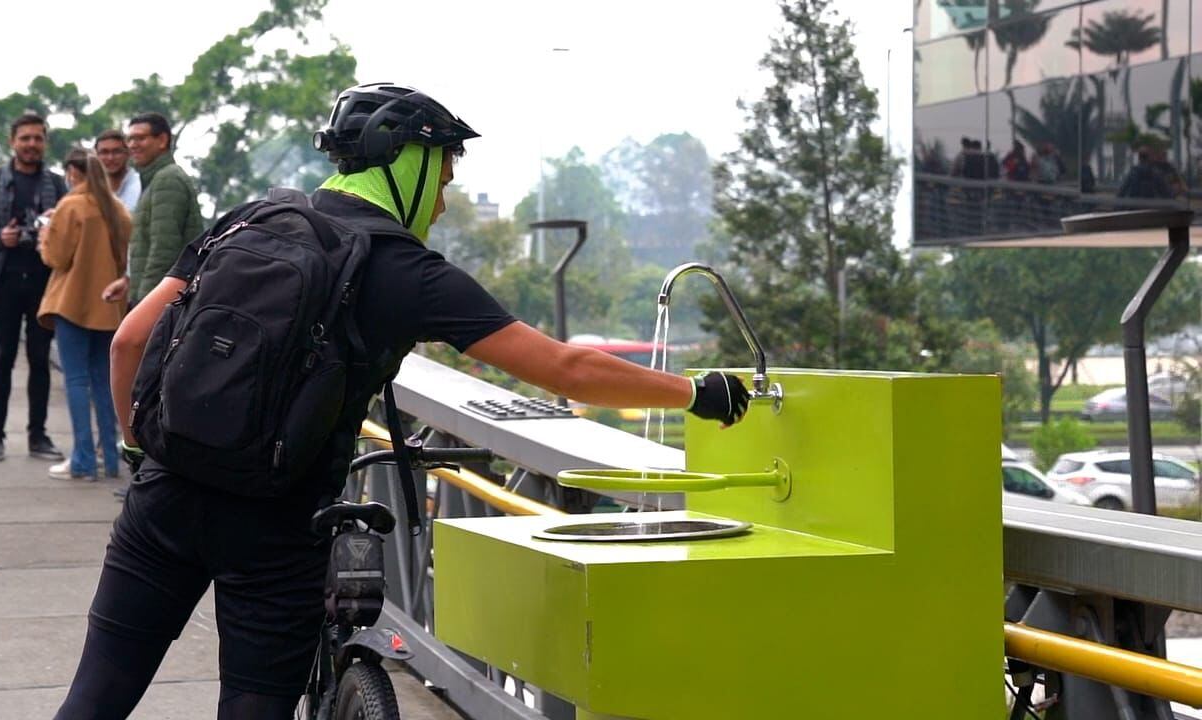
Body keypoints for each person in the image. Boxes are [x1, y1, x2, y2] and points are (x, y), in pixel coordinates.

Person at [53, 83, 751, 720]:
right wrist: (696, 391)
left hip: (165, 498)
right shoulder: (407, 271)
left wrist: (141, 452)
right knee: (252, 704)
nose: (445, 198)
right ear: (404, 159)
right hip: (278, 521)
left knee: (98, 691)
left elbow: (130, 342)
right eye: (444, 172)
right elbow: (565, 370)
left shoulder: (253, 216)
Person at [0, 112, 69, 463]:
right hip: (3, 280)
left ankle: (38, 435)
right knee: (2, 358)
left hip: (43, 281)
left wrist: (54, 230)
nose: (32, 144)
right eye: (25, 138)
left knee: (40, 361)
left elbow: (73, 235)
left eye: (38, 138)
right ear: (12, 141)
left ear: (45, 142)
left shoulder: (56, 184)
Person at [37, 149, 131, 481]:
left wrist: (44, 237)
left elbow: (56, 258)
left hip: (73, 304)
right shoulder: (118, 210)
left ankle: (83, 460)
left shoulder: (71, 206)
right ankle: (110, 460)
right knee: (103, 382)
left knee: (75, 379)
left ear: (73, 174)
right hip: (108, 307)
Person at [103, 112, 201, 308]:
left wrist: (144, 304)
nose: (132, 145)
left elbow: (163, 251)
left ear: (162, 140)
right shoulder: (154, 181)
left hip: (158, 302)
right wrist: (128, 281)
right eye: (129, 139)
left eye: (140, 138)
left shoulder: (168, 180)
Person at [94, 129, 141, 211]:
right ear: (96, 156)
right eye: (104, 152)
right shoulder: (92, 190)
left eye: (117, 152)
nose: (110, 158)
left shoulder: (141, 185)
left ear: (128, 153)